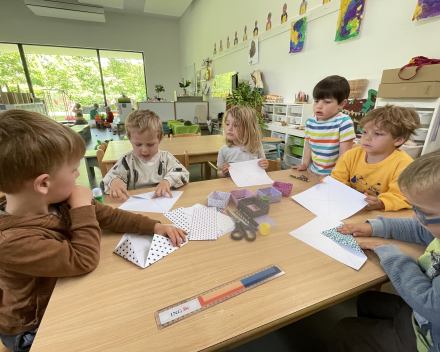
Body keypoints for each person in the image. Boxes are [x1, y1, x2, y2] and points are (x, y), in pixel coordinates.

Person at [0, 110, 187, 352]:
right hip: (33, 326)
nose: (79, 176)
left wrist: (154, 226)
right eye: (73, 171)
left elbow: (110, 216)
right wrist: (80, 208)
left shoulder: (56, 200)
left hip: (64, 294)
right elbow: (83, 259)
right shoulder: (11, 240)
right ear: (44, 184)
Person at [329, 149, 440, 352]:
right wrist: (375, 227)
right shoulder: (435, 227)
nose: (416, 218)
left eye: (423, 213)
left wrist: (393, 255)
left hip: (429, 341)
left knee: (345, 331)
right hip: (423, 317)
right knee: (367, 300)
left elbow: (431, 305)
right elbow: (421, 229)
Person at [330, 105, 420, 211]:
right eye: (365, 132)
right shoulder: (351, 155)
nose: (367, 138)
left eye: (377, 134)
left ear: (398, 140)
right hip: (352, 209)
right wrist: (329, 184)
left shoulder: (404, 165)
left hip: (383, 215)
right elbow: (338, 179)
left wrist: (381, 203)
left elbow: (402, 197)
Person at [101, 110, 189, 201]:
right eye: (138, 145)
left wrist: (167, 182)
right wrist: (114, 182)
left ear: (160, 139)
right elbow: (105, 182)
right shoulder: (126, 160)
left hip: (163, 202)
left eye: (150, 144)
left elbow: (184, 174)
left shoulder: (166, 158)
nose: (145, 150)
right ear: (130, 139)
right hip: (135, 204)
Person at [292, 75, 354, 175]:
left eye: (327, 102)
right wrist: (305, 164)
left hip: (335, 175)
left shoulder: (344, 122)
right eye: (316, 101)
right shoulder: (310, 121)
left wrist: (334, 175)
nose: (319, 106)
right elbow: (308, 145)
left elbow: (344, 154)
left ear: (342, 104)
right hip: (313, 171)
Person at [217, 106, 268, 178]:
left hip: (252, 183)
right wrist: (223, 172)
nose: (229, 128)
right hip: (232, 185)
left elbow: (263, 164)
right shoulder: (224, 150)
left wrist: (264, 165)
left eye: (236, 125)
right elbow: (219, 173)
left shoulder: (256, 146)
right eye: (227, 124)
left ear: (248, 129)